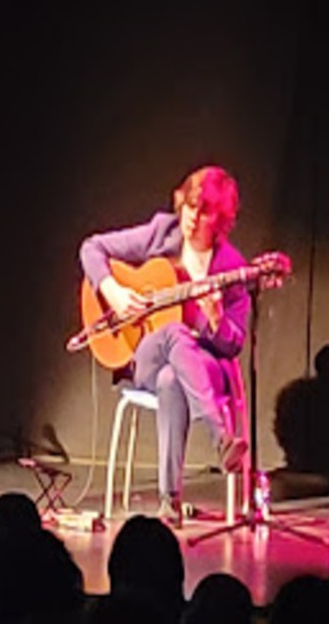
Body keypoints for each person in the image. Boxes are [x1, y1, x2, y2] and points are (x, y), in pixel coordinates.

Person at [79, 165, 249, 527]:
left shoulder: (232, 268)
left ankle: (168, 501)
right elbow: (91, 248)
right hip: (146, 356)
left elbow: (234, 344)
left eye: (203, 212)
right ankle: (221, 437)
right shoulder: (162, 232)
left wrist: (216, 319)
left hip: (201, 368)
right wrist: (113, 290)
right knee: (172, 333)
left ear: (220, 221)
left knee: (172, 379)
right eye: (189, 206)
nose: (191, 218)